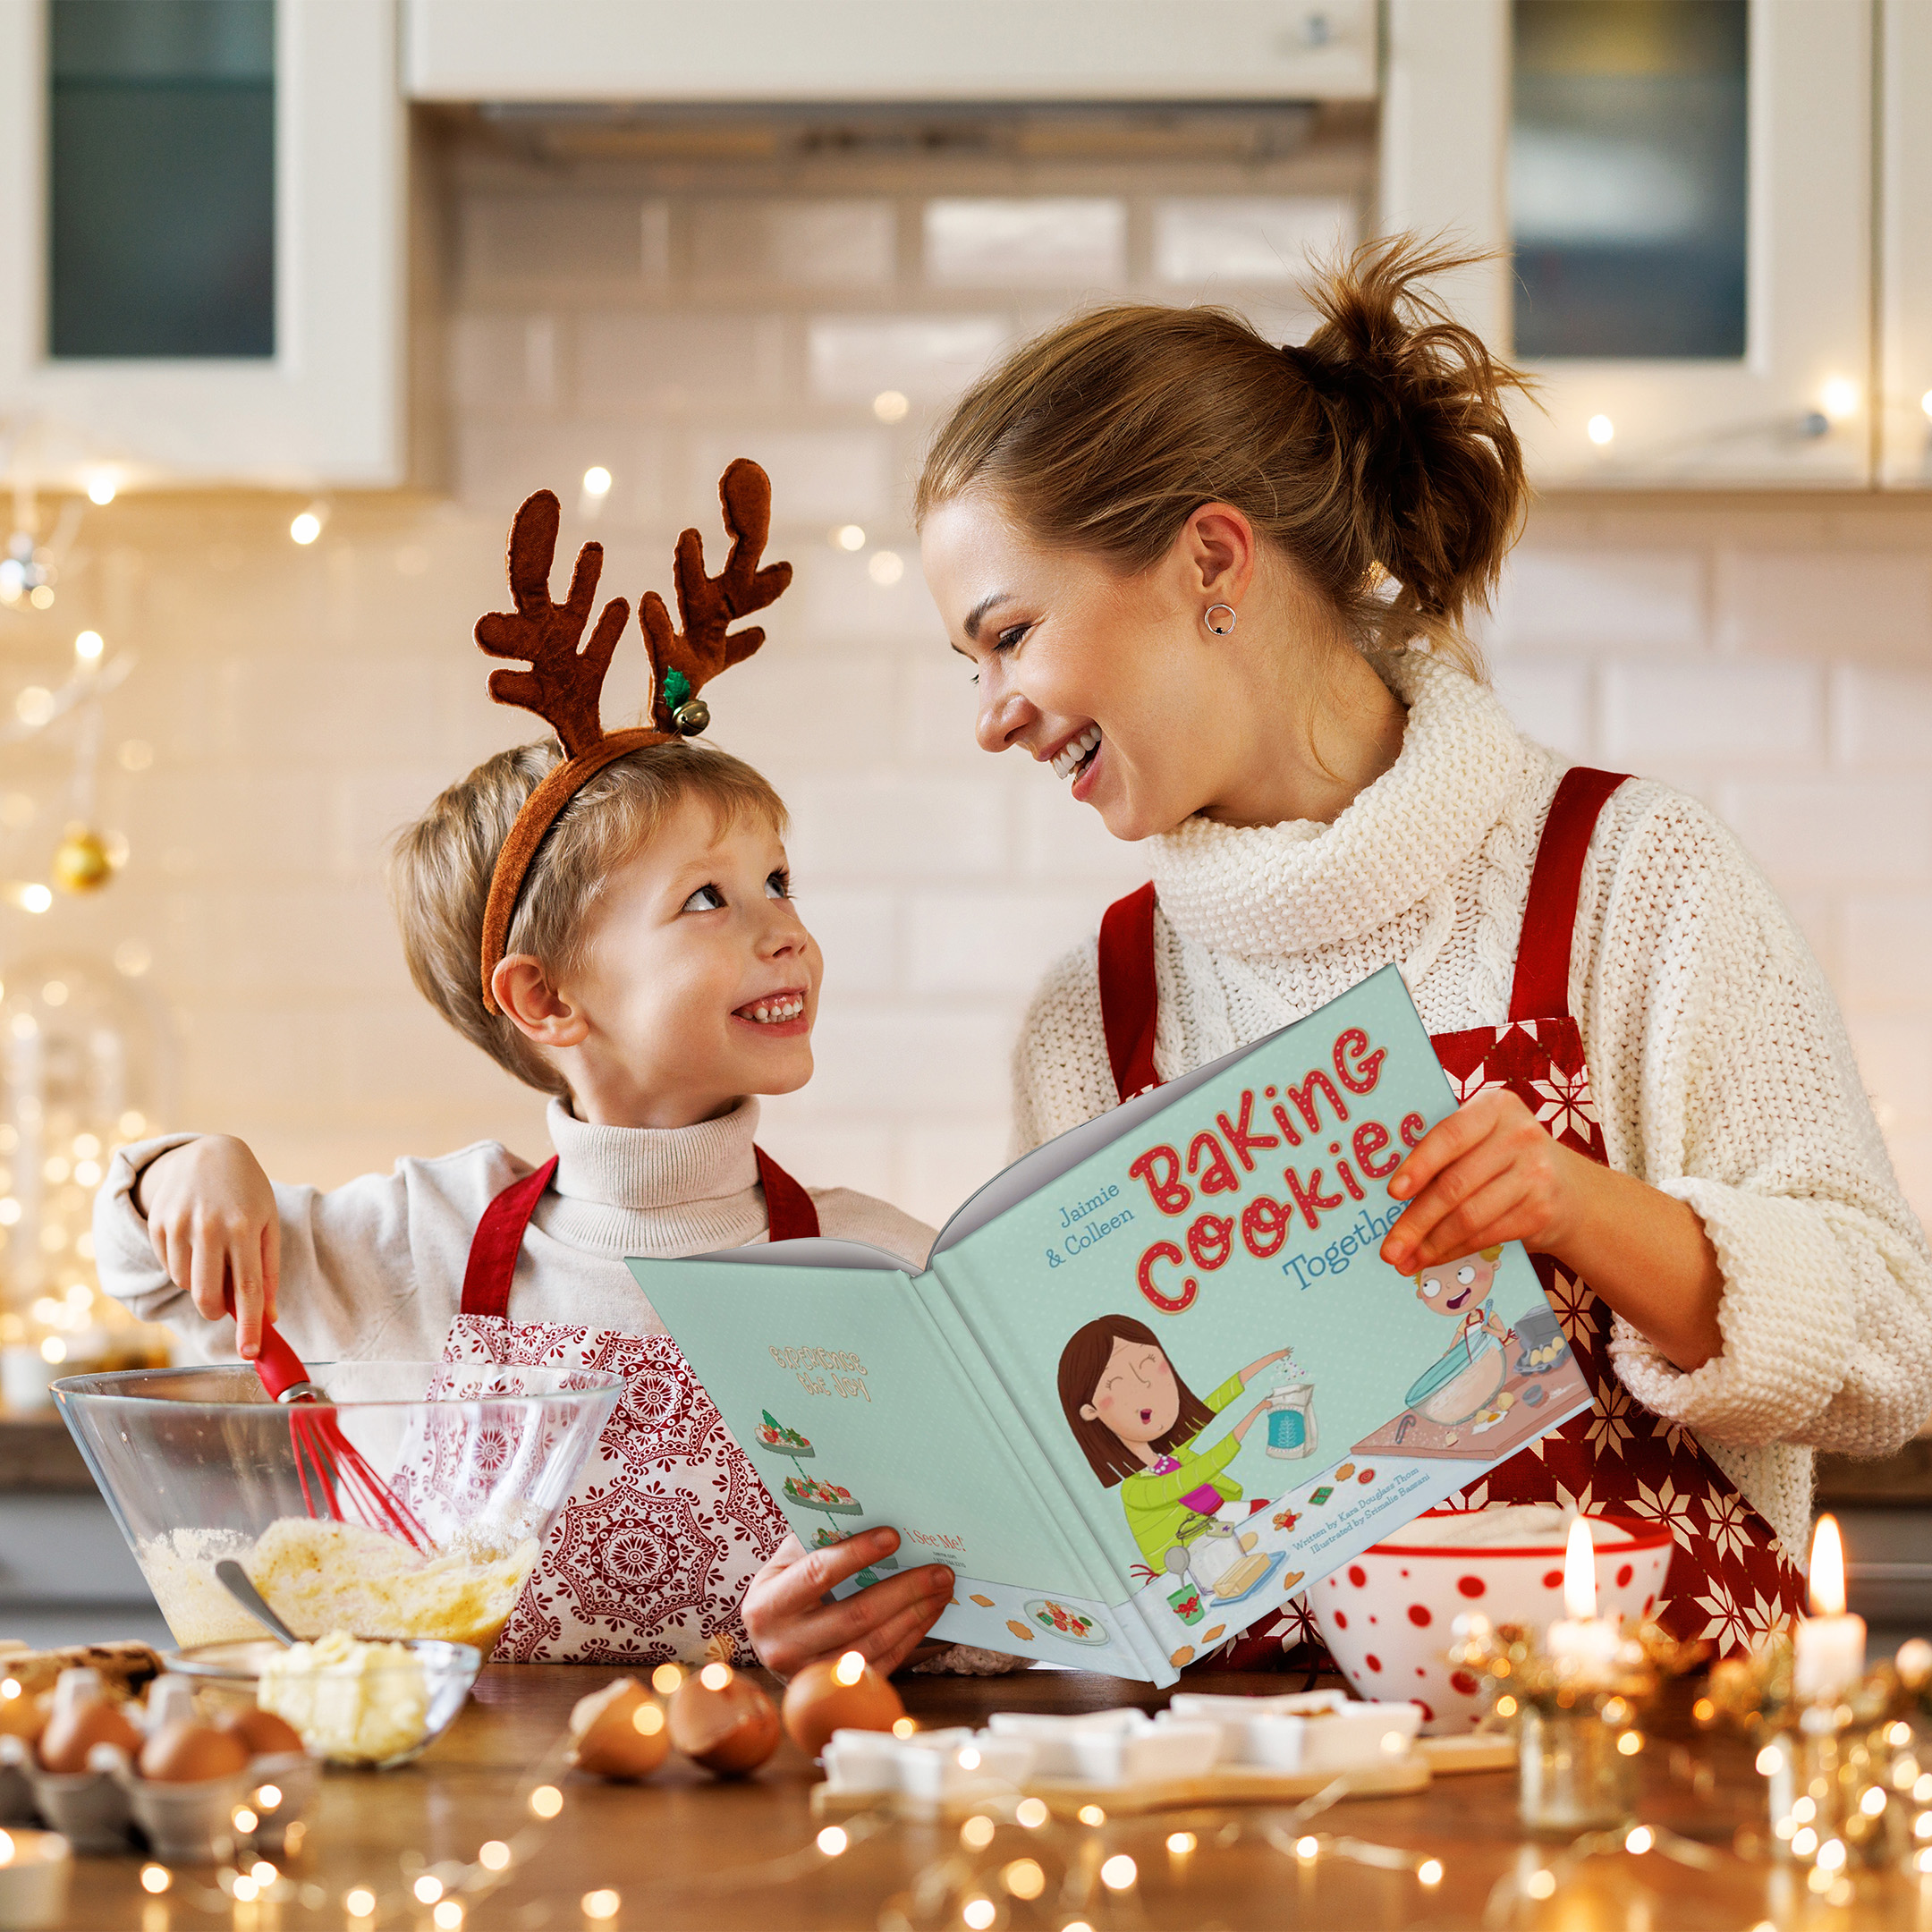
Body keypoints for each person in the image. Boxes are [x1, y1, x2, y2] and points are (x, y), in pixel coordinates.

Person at [916, 238, 1932, 1662]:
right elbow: (1107, 1549)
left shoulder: (1633, 878)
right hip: (1255, 1828)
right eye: (970, 664)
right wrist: (913, 1601)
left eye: (1009, 634)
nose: (992, 714)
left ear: (1213, 559)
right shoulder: (1096, 1007)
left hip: (1634, 1806)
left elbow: (1892, 1348)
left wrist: (1577, 1206)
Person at [96, 471, 993, 1678]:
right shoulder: (415, 1243)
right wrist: (186, 1169)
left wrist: (874, 1640)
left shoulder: (878, 1264)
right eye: (707, 901)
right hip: (466, 1839)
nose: (781, 929)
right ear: (546, 999)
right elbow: (140, 1272)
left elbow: (1001, 1588)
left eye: (780, 882)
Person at [1057, 1314, 1289, 1575]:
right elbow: (1198, 1471)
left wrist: (1268, 1360)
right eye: (1118, 1384)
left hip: (1223, 1521)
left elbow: (1215, 1403)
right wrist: (1254, 1413)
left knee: (1280, 1516)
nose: (1146, 1384)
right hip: (1193, 1558)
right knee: (1262, 1535)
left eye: (1151, 1365)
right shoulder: (1135, 1490)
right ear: (1090, 1411)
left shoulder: (1171, 1454)